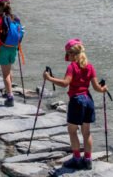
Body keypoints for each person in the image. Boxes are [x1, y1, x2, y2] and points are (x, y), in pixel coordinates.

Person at [44, 38, 108, 170]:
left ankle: (77, 159)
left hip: (76, 101)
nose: (67, 56)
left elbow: (65, 83)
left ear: (72, 54)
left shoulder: (72, 67)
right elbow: (96, 88)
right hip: (88, 101)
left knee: (72, 131)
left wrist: (49, 78)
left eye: (68, 54)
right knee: (87, 132)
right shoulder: (89, 66)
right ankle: (88, 160)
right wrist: (104, 89)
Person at [0, 0, 24, 106]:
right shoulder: (15, 17)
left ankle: (10, 96)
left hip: (3, 48)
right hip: (14, 48)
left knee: (5, 74)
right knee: (9, 70)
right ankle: (8, 91)